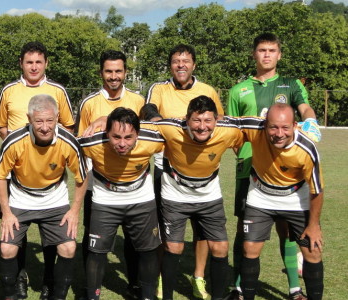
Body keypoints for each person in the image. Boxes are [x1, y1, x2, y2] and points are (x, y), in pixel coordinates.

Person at [227, 33, 321, 300]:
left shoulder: (290, 85)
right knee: (245, 232)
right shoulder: (238, 90)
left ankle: (294, 288)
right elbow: (234, 132)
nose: (266, 55)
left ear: (279, 54)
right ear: (254, 54)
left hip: (285, 170)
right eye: (261, 50)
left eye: (272, 50)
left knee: (288, 229)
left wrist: (311, 123)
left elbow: (305, 109)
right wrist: (247, 153)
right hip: (249, 169)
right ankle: (239, 288)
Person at [145, 44, 224, 300]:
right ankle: (161, 276)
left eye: (186, 60)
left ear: (194, 65)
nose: (181, 65)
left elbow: (219, 122)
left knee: (203, 230)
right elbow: (148, 111)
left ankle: (198, 277)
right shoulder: (159, 88)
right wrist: (164, 122)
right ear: (170, 65)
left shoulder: (207, 91)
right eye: (176, 61)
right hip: (165, 169)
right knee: (163, 229)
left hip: (203, 171)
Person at [0, 41, 74, 299]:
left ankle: (49, 280)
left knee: (51, 232)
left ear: (46, 64)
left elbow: (67, 128)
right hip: (17, 170)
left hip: (49, 171)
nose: (33, 66)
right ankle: (19, 277)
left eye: (38, 62)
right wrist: (18, 150)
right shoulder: (9, 90)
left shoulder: (58, 91)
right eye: (29, 62)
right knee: (15, 230)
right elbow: (1, 127)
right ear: (21, 63)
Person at [0, 94, 87, 300]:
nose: (45, 127)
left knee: (69, 247)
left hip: (55, 199)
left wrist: (74, 211)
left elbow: (82, 177)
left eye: (50, 120)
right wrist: (7, 212)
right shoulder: (14, 141)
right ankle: (10, 296)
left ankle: (57, 296)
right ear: (29, 119)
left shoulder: (68, 142)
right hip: (21, 198)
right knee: (7, 249)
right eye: (39, 121)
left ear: (57, 117)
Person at [153, 96, 242, 300]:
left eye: (208, 120)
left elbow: (255, 129)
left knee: (220, 247)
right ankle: (167, 296)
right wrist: (102, 120)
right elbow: (135, 126)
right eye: (197, 120)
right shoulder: (169, 128)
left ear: (216, 120)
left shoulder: (228, 132)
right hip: (175, 196)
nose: (202, 127)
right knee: (174, 246)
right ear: (187, 119)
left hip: (209, 197)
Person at [75, 49, 145, 298]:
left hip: (133, 181)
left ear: (125, 72)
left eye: (118, 71)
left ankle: (135, 283)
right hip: (98, 183)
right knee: (92, 235)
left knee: (132, 235)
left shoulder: (138, 101)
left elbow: (145, 134)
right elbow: (81, 143)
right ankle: (89, 284)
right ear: (101, 72)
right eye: (108, 71)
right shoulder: (89, 103)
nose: (113, 76)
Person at [237, 103, 324, 300]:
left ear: (295, 125)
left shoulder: (307, 149)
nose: (279, 133)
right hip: (261, 195)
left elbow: (317, 191)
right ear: (265, 125)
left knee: (313, 251)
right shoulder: (254, 127)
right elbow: (227, 123)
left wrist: (313, 225)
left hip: (296, 198)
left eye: (285, 127)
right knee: (250, 248)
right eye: (273, 127)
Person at [78, 107, 163, 300]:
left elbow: (180, 129)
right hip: (105, 200)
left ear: (138, 134)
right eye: (116, 137)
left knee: (149, 250)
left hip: (141, 199)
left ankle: (147, 295)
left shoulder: (153, 140)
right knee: (96, 251)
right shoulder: (90, 143)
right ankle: (93, 295)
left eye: (128, 138)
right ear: (106, 133)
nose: (122, 144)